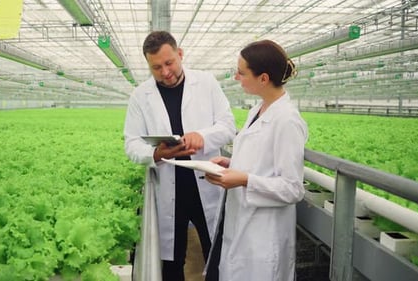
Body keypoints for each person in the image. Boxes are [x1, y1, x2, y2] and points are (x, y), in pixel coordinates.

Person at [123, 31, 236, 281]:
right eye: (156, 67)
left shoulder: (206, 83)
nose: (165, 72)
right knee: (172, 263)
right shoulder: (140, 96)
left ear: (180, 54)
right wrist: (155, 153)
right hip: (168, 189)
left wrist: (202, 136)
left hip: (207, 184)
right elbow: (131, 143)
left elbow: (228, 126)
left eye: (169, 63)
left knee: (215, 252)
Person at [203, 40, 308, 281]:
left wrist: (244, 179)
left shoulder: (287, 120)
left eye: (241, 72)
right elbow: (262, 160)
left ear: (263, 78)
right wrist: (232, 165)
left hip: (264, 236)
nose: (236, 77)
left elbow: (293, 188)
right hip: (243, 227)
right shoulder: (258, 110)